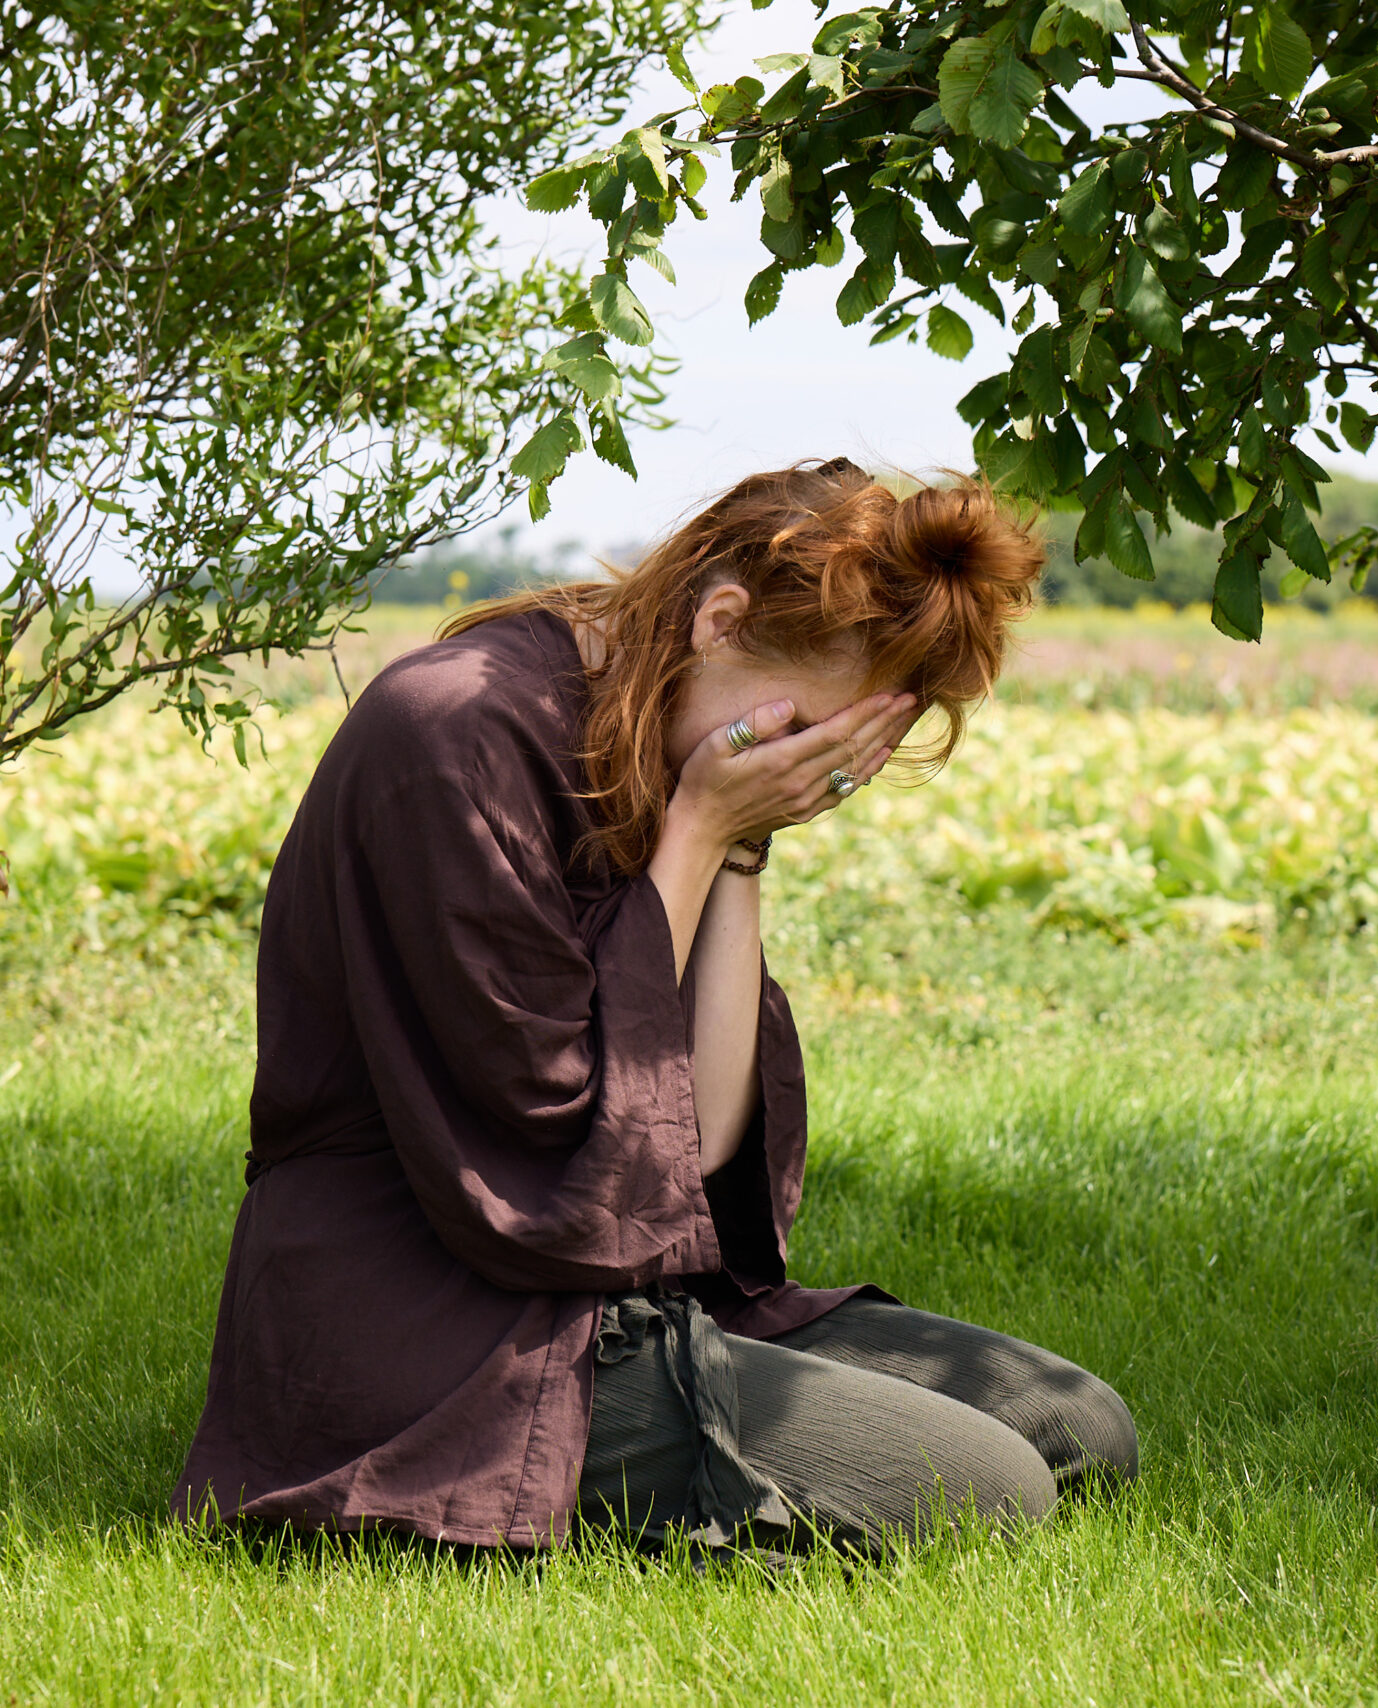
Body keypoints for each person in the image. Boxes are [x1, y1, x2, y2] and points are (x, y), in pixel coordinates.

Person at [172, 460, 1139, 1553]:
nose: (803, 776)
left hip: (616, 1276)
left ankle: (679, 1437)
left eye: (832, 767)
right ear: (721, 620)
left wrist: (734, 845)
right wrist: (691, 835)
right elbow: (549, 1134)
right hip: (431, 1313)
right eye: (798, 739)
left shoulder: (669, 733)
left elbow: (699, 1135)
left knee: (1080, 1425)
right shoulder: (451, 734)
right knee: (987, 1486)